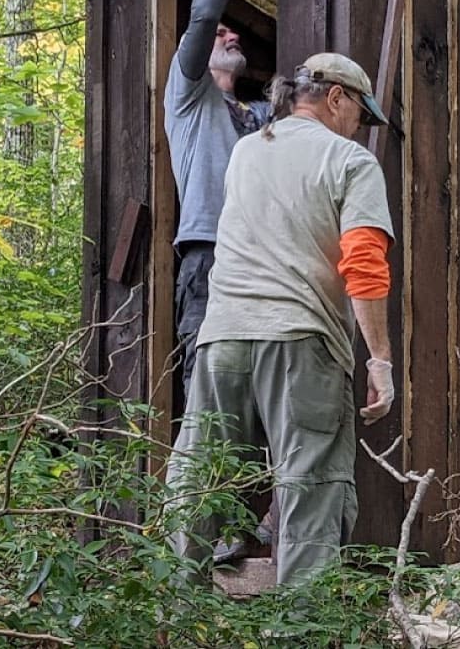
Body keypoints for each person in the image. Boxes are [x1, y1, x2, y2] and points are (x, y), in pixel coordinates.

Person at [166, 52, 397, 587]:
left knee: (200, 480)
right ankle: (302, 625)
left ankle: (174, 619)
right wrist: (379, 361)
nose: (359, 128)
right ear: (336, 97)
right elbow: (363, 263)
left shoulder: (247, 151)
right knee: (312, 488)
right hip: (300, 341)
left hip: (221, 338)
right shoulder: (349, 162)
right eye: (360, 113)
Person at [164, 0, 275, 396]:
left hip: (265, 258)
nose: (229, 35)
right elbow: (204, 18)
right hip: (209, 251)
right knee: (208, 375)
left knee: (259, 382)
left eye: (235, 33)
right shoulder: (189, 94)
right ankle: (199, 476)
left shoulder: (260, 116)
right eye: (220, 35)